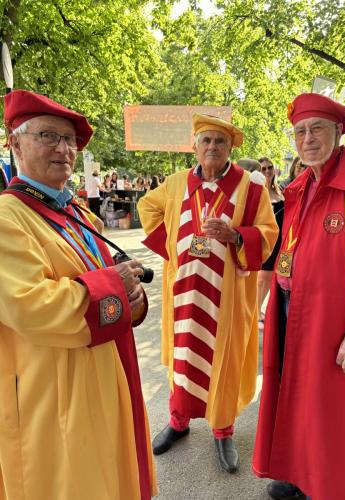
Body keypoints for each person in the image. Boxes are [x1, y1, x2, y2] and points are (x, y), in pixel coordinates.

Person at [0, 89, 156, 500]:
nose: (64, 149)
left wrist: (134, 303)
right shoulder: (7, 217)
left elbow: (111, 285)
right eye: (47, 136)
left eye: (69, 139)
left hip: (103, 371)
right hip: (52, 392)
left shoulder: (78, 213)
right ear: (14, 142)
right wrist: (115, 288)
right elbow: (30, 306)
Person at [138, 114, 278, 473]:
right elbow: (147, 207)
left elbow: (268, 232)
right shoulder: (175, 184)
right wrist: (173, 246)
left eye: (219, 141)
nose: (212, 147)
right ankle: (179, 421)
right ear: (195, 147)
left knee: (224, 361)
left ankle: (223, 429)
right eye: (206, 141)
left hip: (227, 297)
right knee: (183, 359)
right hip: (183, 291)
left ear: (230, 147)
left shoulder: (251, 187)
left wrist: (235, 237)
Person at [253, 93, 345, 500]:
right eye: (299, 131)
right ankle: (300, 473)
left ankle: (328, 487)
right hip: (293, 307)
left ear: (338, 133)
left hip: (338, 316)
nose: (306, 139)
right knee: (296, 391)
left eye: (316, 129)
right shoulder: (301, 184)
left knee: (331, 409)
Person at [257, 157, 284, 328]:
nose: (267, 171)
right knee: (262, 278)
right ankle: (255, 310)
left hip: (280, 239)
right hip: (265, 239)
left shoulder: (279, 190)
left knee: (269, 278)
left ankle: (258, 309)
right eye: (263, 169)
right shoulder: (256, 190)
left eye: (270, 168)